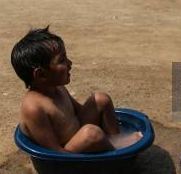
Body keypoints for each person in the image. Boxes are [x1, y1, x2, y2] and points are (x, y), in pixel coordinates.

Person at [11, 27, 142, 153]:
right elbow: (53, 152)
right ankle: (116, 150)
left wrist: (98, 124)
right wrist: (93, 138)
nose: (70, 63)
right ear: (41, 74)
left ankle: (114, 139)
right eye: (62, 60)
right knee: (91, 134)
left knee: (101, 99)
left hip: (79, 135)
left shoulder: (58, 87)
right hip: (66, 152)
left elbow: (79, 112)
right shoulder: (34, 108)